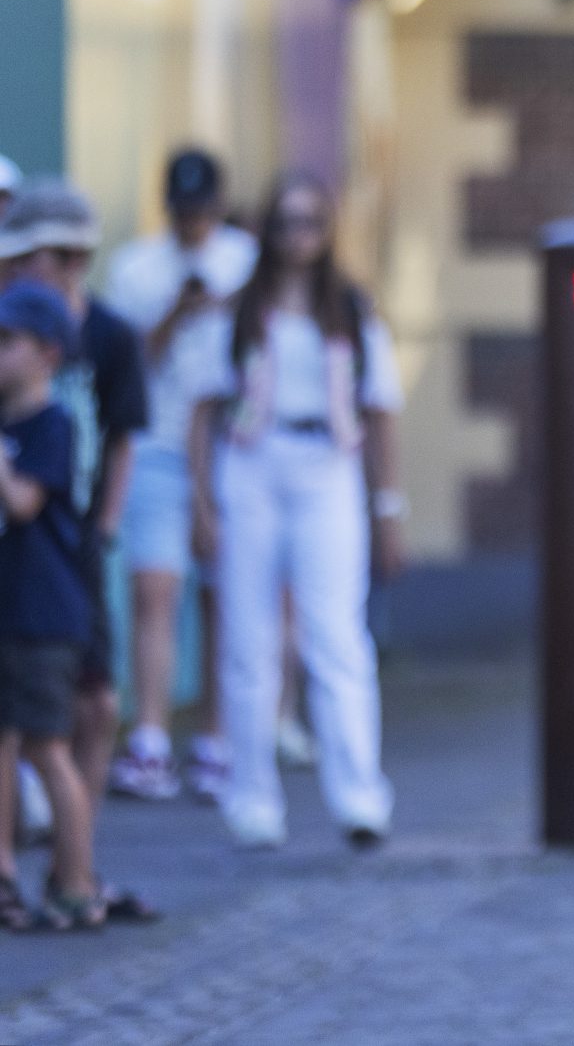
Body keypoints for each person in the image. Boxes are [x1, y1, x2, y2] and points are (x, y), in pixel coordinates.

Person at [188, 173, 403, 850]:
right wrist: (202, 500)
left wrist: (388, 504)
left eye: (310, 221)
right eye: (285, 222)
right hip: (252, 461)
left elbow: (381, 409)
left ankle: (360, 793)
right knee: (247, 637)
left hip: (328, 464)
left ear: (328, 228)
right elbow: (200, 409)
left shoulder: (351, 311)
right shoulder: (238, 313)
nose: (297, 236)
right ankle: (250, 795)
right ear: (267, 230)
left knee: (335, 633)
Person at [0, 180, 158, 925]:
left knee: (93, 706)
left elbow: (125, 435)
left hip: (75, 544)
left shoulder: (107, 336)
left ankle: (77, 865)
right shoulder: (14, 327)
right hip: (20, 550)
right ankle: (22, 870)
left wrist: (106, 527)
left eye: (64, 256)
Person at [104, 148, 259, 803]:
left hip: (235, 445)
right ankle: (151, 737)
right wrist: (177, 312)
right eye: (182, 210)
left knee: (224, 595)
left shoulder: (249, 263)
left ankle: (217, 739)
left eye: (202, 210)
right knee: (154, 588)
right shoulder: (137, 267)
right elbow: (128, 365)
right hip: (160, 443)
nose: (192, 222)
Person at [0, 281, 105, 930]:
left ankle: (77, 881)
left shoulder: (51, 424)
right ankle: (10, 872)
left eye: (5, 342)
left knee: (47, 748)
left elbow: (24, 504)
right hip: (10, 614)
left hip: (45, 619)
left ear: (45, 353)